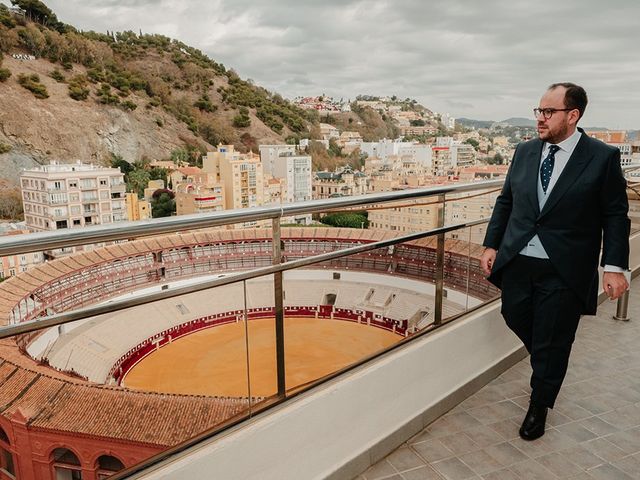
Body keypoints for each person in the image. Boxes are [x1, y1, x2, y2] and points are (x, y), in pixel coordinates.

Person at [480, 82, 630, 441]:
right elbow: (507, 201)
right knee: (515, 316)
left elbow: (615, 215)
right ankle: (549, 362)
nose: (540, 119)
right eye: (539, 111)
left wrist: (614, 266)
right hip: (518, 260)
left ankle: (540, 403)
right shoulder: (525, 151)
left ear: (573, 115)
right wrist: (491, 244)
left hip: (564, 268)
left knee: (553, 338)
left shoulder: (601, 157)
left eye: (549, 112)